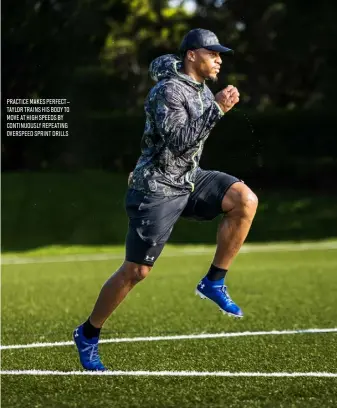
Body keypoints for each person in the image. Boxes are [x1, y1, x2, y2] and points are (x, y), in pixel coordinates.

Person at [73, 28, 258, 371]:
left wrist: (213, 105)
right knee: (136, 271)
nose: (219, 59)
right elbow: (177, 141)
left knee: (244, 199)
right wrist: (217, 109)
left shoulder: (200, 90)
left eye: (220, 53)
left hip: (188, 179)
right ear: (191, 55)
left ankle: (214, 281)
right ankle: (88, 334)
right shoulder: (168, 91)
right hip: (156, 188)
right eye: (212, 52)